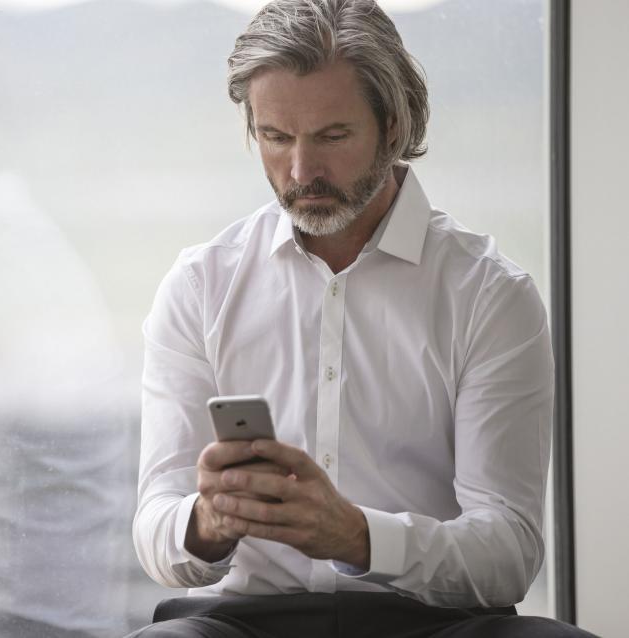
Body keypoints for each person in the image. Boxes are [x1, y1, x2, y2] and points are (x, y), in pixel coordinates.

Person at [127, 1, 596, 636]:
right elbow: (154, 528)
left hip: (435, 624)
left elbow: (508, 553)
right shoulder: (199, 285)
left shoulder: (489, 293)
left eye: (332, 136)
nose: (300, 171)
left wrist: (356, 536)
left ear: (395, 124)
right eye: (275, 137)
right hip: (238, 624)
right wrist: (207, 525)